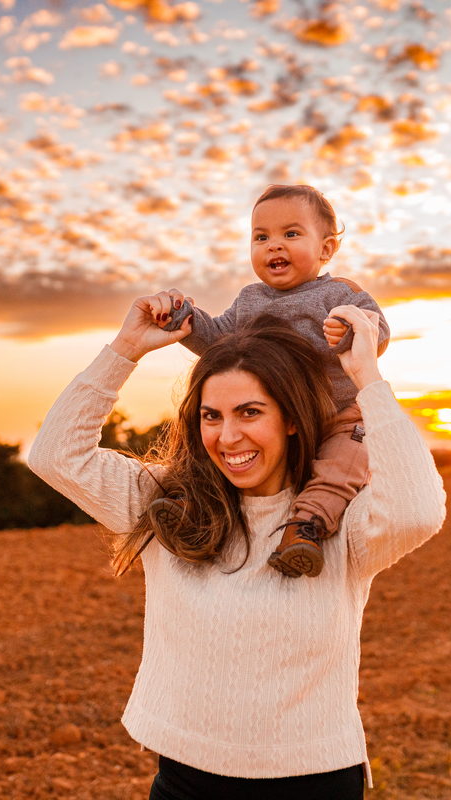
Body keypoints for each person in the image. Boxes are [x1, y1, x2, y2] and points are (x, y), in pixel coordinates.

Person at [27, 299, 445, 799]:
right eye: (211, 416)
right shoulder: (166, 505)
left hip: (312, 782)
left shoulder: (332, 518)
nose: (228, 437)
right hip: (187, 782)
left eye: (250, 412)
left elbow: (420, 509)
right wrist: (126, 349)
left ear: (291, 419)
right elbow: (55, 454)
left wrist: (368, 380)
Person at [149, 184, 390, 579]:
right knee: (221, 434)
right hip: (274, 418)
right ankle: (188, 505)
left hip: (338, 414)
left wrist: (349, 332)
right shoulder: (249, 300)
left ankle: (304, 528)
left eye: (290, 234)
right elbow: (215, 337)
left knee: (345, 463)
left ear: (326, 249)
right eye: (261, 237)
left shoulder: (338, 293)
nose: (274, 246)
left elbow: (376, 329)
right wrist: (182, 318)